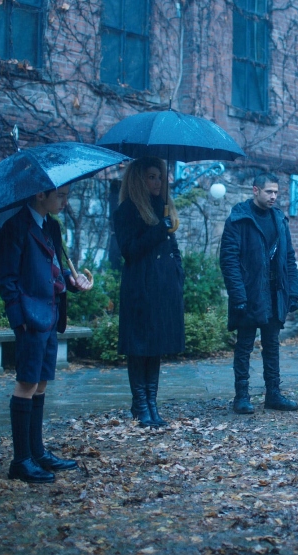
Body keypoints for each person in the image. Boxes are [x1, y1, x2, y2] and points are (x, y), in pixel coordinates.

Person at [0, 185, 94, 483]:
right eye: (61, 195)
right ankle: (21, 460)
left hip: (50, 315)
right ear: (39, 194)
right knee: (26, 383)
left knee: (40, 384)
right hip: (30, 317)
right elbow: (7, 278)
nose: (65, 201)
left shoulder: (51, 226)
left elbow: (51, 270)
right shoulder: (15, 227)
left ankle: (36, 452)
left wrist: (71, 280)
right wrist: (19, 320)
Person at [220, 173, 298, 414]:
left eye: (276, 192)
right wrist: (239, 295)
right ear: (255, 190)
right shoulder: (239, 218)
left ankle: (273, 394)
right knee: (244, 344)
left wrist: (293, 293)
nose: (274, 196)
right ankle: (241, 396)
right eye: (269, 191)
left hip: (275, 293)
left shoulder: (279, 219)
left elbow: (289, 258)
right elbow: (229, 260)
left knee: (272, 344)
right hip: (250, 292)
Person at [113, 157, 184, 428]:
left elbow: (172, 248)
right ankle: (141, 403)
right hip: (140, 287)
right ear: (138, 179)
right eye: (151, 177)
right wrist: (158, 229)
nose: (157, 182)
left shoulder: (164, 208)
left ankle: (151, 403)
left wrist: (178, 272)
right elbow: (129, 251)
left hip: (163, 287)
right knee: (139, 346)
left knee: (156, 347)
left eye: (160, 177)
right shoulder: (127, 211)